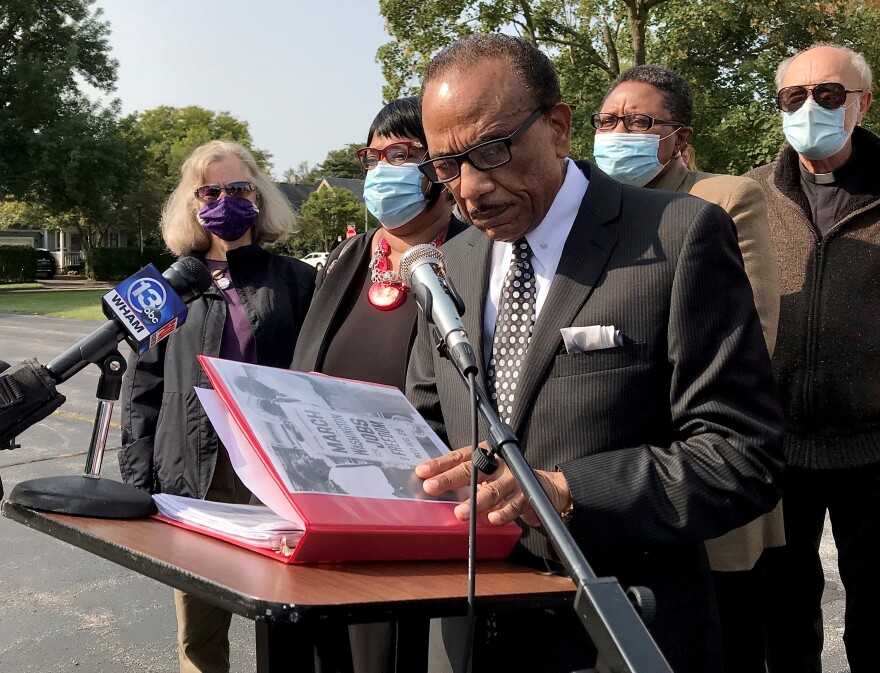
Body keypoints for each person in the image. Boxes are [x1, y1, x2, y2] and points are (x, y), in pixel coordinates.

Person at [406, 33, 784, 673]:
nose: (471, 189)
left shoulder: (675, 236)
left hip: (623, 629)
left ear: (557, 129)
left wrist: (568, 490)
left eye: (492, 151)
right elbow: (425, 424)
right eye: (446, 167)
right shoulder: (453, 260)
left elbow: (741, 455)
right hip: (469, 633)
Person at [593, 63, 784, 673]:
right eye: (609, 120)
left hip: (697, 465)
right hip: (607, 473)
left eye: (640, 121)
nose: (620, 132)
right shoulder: (589, 211)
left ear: (680, 136)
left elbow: (752, 332)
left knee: (723, 643)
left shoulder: (724, 199)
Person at [118, 140, 315, 673]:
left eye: (238, 188)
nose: (225, 200)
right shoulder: (164, 287)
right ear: (193, 202)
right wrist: (139, 484)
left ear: (259, 196)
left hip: (274, 475)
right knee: (199, 634)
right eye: (210, 190)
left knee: (286, 616)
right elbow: (142, 390)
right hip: (190, 473)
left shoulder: (298, 280)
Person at [291, 96, 467, 673]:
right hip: (330, 498)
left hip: (424, 506)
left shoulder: (475, 257)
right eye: (373, 156)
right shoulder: (345, 259)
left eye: (402, 153)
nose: (382, 169)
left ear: (440, 166)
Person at [745, 43, 879, 673]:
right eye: (793, 97)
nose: (808, 107)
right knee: (781, 612)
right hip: (777, 447)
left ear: (862, 104)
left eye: (827, 95)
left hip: (874, 447)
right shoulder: (750, 198)